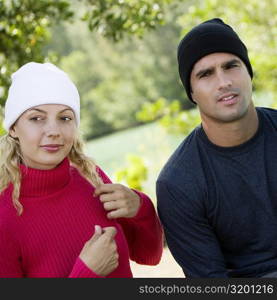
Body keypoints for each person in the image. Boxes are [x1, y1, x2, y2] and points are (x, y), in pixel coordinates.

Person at [0, 62, 163, 278]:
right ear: (13, 128)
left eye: (65, 118)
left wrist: (141, 209)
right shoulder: (4, 217)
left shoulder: (91, 176)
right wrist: (87, 275)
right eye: (36, 118)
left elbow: (149, 255)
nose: (54, 131)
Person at [156, 18, 277, 278]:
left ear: (248, 72)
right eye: (206, 74)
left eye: (231, 66)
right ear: (192, 92)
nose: (223, 82)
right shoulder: (178, 183)